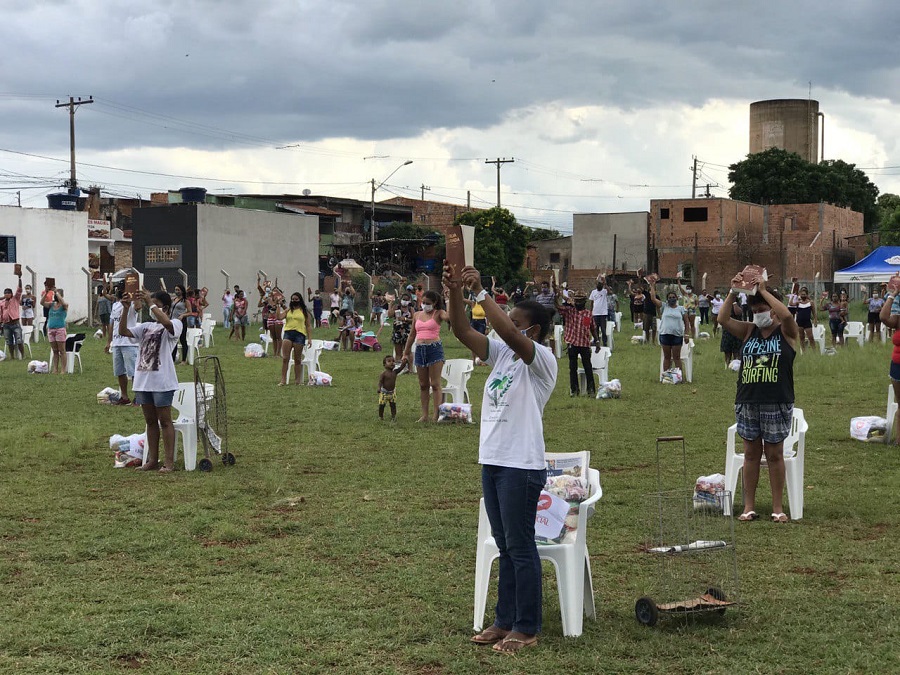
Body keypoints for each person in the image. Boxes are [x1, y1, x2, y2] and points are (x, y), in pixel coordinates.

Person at [444, 262, 557, 655]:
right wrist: (456, 289)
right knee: (506, 545)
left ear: (534, 330)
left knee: (521, 545)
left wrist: (481, 293)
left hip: (521, 465)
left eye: (515, 320)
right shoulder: (501, 357)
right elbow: (461, 330)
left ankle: (526, 627)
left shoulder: (540, 358)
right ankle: (504, 620)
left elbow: (507, 332)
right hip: (493, 459)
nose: (505, 325)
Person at [718, 271, 798, 523]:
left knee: (775, 454)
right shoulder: (748, 331)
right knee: (750, 454)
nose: (758, 314)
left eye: (762, 309)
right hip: (748, 399)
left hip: (776, 399)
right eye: (754, 310)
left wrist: (763, 290)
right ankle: (748, 506)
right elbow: (722, 319)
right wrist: (734, 291)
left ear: (772, 309)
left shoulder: (785, 331)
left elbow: (786, 315)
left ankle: (777, 507)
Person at [118, 290, 182, 473]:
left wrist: (151, 304)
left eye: (156, 305)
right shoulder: (145, 326)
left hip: (162, 381)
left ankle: (168, 462)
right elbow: (123, 331)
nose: (151, 310)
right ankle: (153, 459)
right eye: (150, 305)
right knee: (150, 421)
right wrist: (125, 309)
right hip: (143, 381)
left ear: (166, 307)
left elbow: (167, 323)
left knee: (165, 421)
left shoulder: (175, 324)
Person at [403, 290, 448, 422]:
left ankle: (436, 414)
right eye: (423, 302)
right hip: (420, 349)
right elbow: (412, 335)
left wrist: (449, 300)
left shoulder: (439, 313)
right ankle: (424, 415)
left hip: (434, 349)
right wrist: (406, 352)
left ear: (434, 303)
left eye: (428, 303)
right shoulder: (417, 315)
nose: (425, 305)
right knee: (423, 384)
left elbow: (449, 317)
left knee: (435, 383)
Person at [556, 290, 600, 397]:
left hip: (584, 344)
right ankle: (574, 391)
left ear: (585, 302)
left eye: (581, 301)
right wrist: (556, 295)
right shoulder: (569, 312)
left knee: (588, 367)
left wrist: (597, 341)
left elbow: (593, 329)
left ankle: (591, 391)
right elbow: (557, 307)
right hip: (572, 344)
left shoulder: (588, 314)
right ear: (574, 301)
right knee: (573, 368)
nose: (579, 303)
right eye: (577, 301)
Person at [106, 288, 140, 405]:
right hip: (116, 343)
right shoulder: (115, 305)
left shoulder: (131, 305)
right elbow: (112, 324)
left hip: (129, 342)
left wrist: (135, 293)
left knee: (133, 372)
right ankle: (124, 397)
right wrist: (109, 341)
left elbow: (138, 307)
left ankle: (138, 397)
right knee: (119, 371)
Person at [878, 277, 900, 443]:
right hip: (897, 365)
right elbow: (884, 317)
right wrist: (893, 295)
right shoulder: (898, 319)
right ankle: (899, 439)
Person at [651, 288, 691, 374]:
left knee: (676, 357)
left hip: (677, 336)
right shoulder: (664, 306)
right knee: (667, 357)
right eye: (669, 297)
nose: (671, 299)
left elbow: (687, 322)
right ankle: (666, 376)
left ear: (676, 298)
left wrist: (687, 334)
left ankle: (679, 377)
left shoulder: (681, 309)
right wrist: (652, 285)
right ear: (667, 299)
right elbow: (653, 299)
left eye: (673, 297)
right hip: (665, 335)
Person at [278, 291, 312, 386]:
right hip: (288, 334)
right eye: (293, 299)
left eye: (296, 299)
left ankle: (298, 381)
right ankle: (283, 380)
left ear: (300, 300)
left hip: (300, 335)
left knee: (297, 359)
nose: (294, 301)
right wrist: (277, 306)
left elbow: (308, 326)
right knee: (285, 358)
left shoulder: (304, 312)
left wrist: (309, 339)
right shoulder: (288, 310)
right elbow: (279, 317)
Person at [42, 286, 68, 374]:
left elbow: (63, 303)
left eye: (58, 294)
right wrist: (46, 292)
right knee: (55, 351)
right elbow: (42, 303)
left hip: (60, 329)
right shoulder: (51, 304)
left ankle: (63, 369)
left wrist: (57, 292)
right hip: (51, 329)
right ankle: (55, 369)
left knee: (62, 350)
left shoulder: (64, 305)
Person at [1, 271, 24, 360]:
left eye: (8, 292)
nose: (6, 294)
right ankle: (12, 356)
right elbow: (1, 313)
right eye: (5, 293)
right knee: (9, 342)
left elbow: (19, 289)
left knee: (19, 340)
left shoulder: (15, 299)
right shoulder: (2, 302)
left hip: (15, 323)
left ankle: (22, 355)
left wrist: (19, 278)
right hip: (6, 324)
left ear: (11, 294)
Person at [463, 289, 489, 364]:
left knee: (480, 341)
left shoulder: (484, 305)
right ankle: (473, 359)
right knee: (473, 341)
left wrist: (487, 327)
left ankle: (480, 358)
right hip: (474, 322)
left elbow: (487, 317)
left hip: (482, 322)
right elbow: (462, 299)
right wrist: (462, 288)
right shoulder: (473, 304)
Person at [391, 292, 414, 364]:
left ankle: (410, 369)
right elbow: (389, 315)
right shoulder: (396, 307)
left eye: (407, 300)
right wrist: (390, 305)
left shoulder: (411, 309)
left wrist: (405, 319)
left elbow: (414, 320)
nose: (405, 301)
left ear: (409, 301)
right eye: (403, 299)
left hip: (407, 332)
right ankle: (398, 367)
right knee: (398, 352)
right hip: (397, 332)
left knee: (408, 351)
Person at [720, 299, 744, 366]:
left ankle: (736, 365)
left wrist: (734, 303)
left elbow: (738, 312)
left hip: (737, 330)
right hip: (727, 331)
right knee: (727, 351)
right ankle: (727, 365)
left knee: (737, 351)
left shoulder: (738, 304)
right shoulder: (725, 305)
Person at [170, 285, 189, 364]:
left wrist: (183, 315)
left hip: (181, 322)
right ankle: (172, 359)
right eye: (175, 289)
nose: (176, 291)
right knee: (173, 340)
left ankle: (184, 360)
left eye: (178, 290)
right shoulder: (174, 299)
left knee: (182, 340)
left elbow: (190, 312)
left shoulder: (185, 301)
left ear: (182, 291)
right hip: (173, 321)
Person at [263, 288, 285, 356]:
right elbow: (260, 304)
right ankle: (275, 353)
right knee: (274, 337)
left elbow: (284, 307)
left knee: (278, 337)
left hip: (277, 318)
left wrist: (278, 302)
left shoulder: (280, 300)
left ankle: (278, 353)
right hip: (270, 318)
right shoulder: (269, 299)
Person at [378, 355, 400, 421]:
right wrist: (379, 388)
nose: (392, 363)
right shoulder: (384, 373)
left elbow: (401, 368)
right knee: (382, 405)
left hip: (392, 392)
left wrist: (404, 363)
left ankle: (393, 416)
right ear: (384, 364)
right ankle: (381, 416)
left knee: (393, 405)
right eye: (389, 361)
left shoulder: (395, 372)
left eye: (393, 361)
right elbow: (380, 381)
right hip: (384, 392)